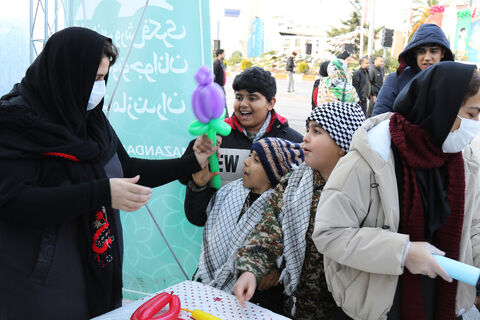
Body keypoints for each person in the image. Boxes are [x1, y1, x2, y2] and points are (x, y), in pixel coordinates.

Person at [0, 27, 216, 319]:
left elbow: (124, 169)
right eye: (94, 79)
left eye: (103, 78)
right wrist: (100, 192)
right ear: (68, 75)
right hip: (37, 284)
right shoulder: (15, 124)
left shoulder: (91, 120)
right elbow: (14, 202)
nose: (99, 89)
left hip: (90, 272)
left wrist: (191, 162)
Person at [313, 62, 480, 320]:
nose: (476, 124)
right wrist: (403, 252)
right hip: (379, 306)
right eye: (472, 114)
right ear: (442, 106)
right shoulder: (369, 160)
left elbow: (474, 229)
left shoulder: (464, 163)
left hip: (443, 303)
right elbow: (330, 234)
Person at [233, 102, 366, 319]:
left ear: (342, 144)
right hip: (297, 307)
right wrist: (251, 271)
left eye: (317, 131)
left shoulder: (361, 190)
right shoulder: (294, 184)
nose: (305, 137)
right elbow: (268, 231)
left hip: (345, 309)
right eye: (308, 130)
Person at [185, 137, 304, 315]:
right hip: (210, 286)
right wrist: (199, 185)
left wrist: (277, 271)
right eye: (250, 156)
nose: (246, 162)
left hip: (257, 298)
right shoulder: (230, 192)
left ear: (274, 173)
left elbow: (294, 251)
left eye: (256, 160)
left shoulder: (284, 207)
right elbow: (197, 217)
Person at [180, 66, 303, 188]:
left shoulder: (292, 142)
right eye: (239, 97)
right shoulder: (215, 136)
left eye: (252, 98)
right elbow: (183, 177)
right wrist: (196, 155)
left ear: (271, 103)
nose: (243, 104)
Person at [371, 24, 454, 117]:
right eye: (421, 51)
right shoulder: (395, 80)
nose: (427, 57)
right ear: (415, 54)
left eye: (433, 51)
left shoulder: (451, 83)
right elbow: (378, 119)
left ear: (442, 53)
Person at [213, 48, 228, 116]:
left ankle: (225, 117)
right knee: (222, 103)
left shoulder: (221, 63)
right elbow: (214, 75)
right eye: (223, 54)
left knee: (223, 103)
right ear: (219, 54)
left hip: (221, 87)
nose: (224, 55)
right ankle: (224, 117)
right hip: (218, 87)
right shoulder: (216, 63)